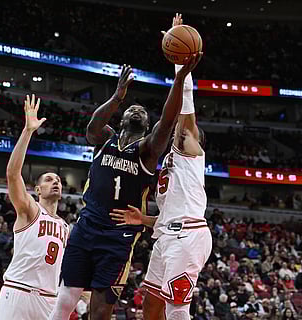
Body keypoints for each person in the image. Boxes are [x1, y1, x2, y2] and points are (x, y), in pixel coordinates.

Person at [50, 14, 202, 320]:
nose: (137, 110)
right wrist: (117, 97)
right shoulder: (104, 139)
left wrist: (180, 77)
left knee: (101, 308)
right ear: (121, 120)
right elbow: (93, 126)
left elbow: (170, 120)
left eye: (142, 112)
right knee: (64, 300)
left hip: (117, 236)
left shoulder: (147, 150)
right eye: (132, 108)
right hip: (86, 226)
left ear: (146, 126)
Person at [109, 14, 210, 320]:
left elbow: (185, 110)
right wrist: (144, 218)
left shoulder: (191, 150)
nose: (180, 131)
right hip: (168, 234)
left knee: (176, 308)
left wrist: (180, 66)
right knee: (151, 305)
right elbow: (170, 215)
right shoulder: (170, 161)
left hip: (188, 237)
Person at [0, 94, 70, 320]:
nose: (55, 181)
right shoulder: (29, 209)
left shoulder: (65, 226)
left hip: (50, 298)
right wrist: (28, 131)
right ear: (37, 190)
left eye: (57, 179)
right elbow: (12, 174)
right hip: (19, 291)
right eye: (48, 179)